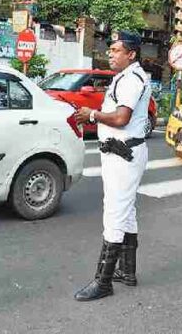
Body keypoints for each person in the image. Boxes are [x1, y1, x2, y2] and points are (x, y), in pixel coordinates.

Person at [73, 30, 152, 301]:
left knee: (114, 216)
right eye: (110, 50)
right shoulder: (127, 76)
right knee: (126, 213)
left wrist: (92, 114)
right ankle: (127, 272)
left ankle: (103, 281)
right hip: (122, 153)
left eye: (116, 50)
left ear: (131, 54)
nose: (110, 54)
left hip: (123, 155)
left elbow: (121, 118)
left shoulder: (131, 79)